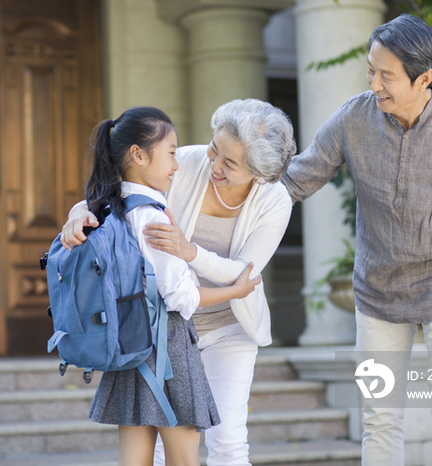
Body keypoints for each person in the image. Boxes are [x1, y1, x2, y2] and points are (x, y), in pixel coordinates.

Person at [281, 14, 432, 466]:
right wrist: (231, 205)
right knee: (379, 415)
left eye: (386, 75)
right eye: (371, 69)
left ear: (423, 78)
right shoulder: (353, 117)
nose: (374, 83)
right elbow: (296, 180)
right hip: (376, 293)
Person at [63, 99, 295, 466]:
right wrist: (80, 211)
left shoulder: (275, 200)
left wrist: (190, 252)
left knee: (229, 443)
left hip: (227, 328)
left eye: (230, 163)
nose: (214, 165)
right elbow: (122, 193)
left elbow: (244, 272)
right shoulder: (184, 162)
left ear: (259, 172)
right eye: (214, 149)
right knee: (155, 443)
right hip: (161, 330)